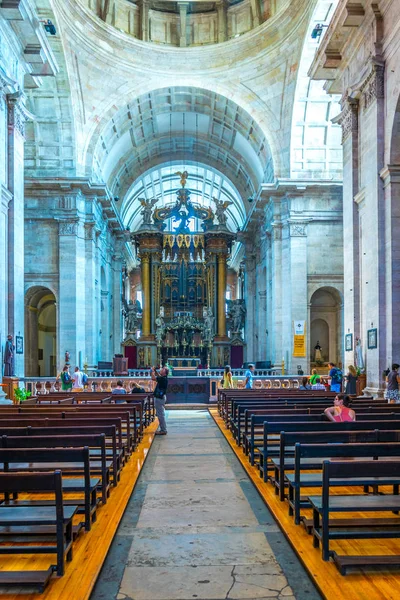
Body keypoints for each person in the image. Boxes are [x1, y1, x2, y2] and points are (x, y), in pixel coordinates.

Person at [151, 365, 169, 435]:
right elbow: (158, 376)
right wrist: (155, 371)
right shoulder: (163, 378)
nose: (161, 370)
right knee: (160, 414)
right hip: (160, 397)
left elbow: (153, 378)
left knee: (160, 414)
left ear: (165, 373)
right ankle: (163, 429)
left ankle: (163, 430)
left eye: (163, 369)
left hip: (159, 398)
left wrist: (152, 371)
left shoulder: (163, 379)